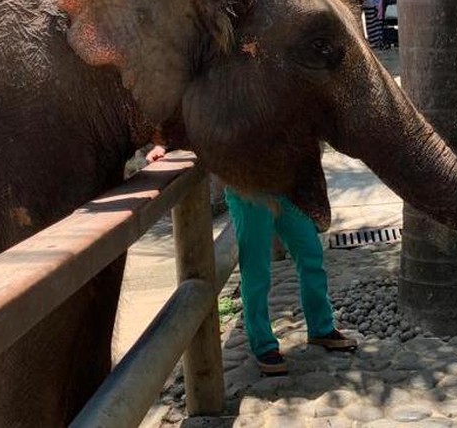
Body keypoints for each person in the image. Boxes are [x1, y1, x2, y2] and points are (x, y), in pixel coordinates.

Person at [145, 148, 356, 375]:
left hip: (288, 187)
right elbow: (194, 116)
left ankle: (321, 328)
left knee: (311, 255)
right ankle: (263, 345)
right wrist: (164, 147)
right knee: (256, 270)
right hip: (247, 189)